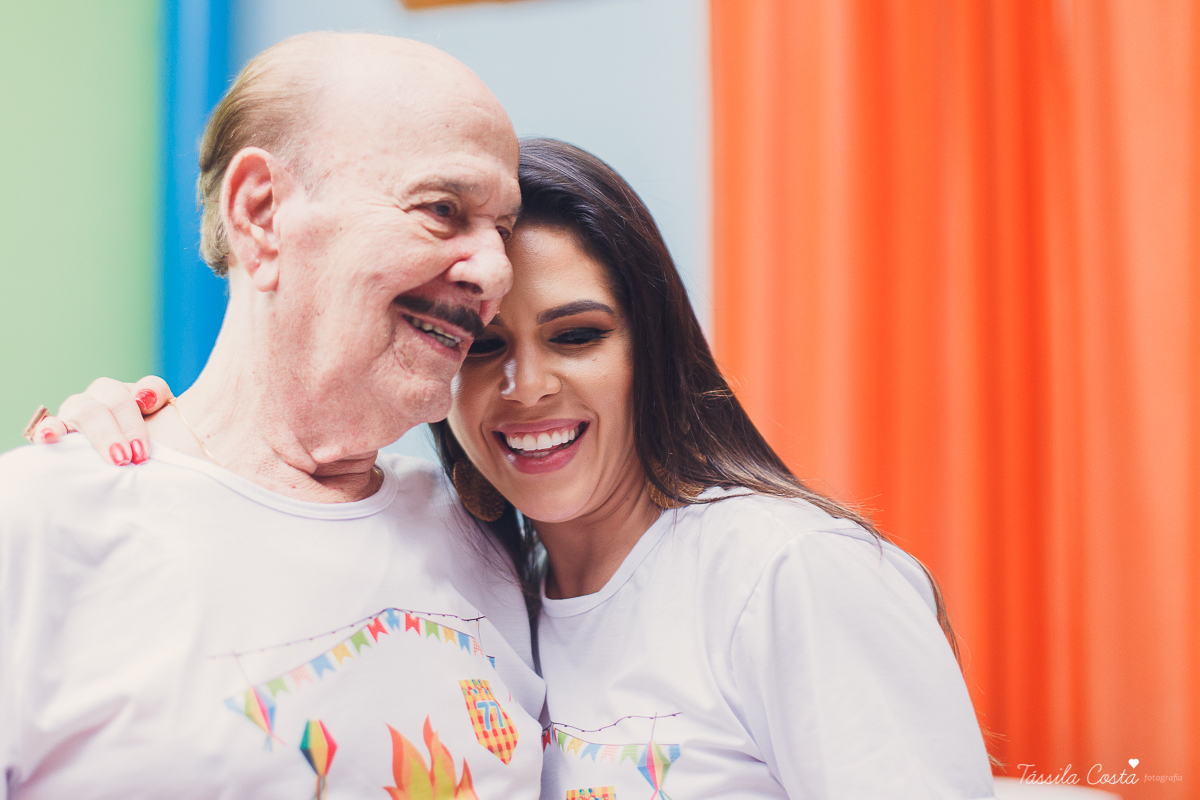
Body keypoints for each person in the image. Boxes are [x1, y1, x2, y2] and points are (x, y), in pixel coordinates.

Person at [37, 139, 998, 799]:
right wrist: (134, 439)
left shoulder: (787, 572)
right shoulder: (471, 565)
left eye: (578, 336)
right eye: (483, 346)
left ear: (652, 346)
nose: (528, 386)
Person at [1, 33, 545, 799]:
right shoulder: (37, 524)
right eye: (441, 209)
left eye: (503, 231)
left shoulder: (493, 541)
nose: (495, 272)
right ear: (260, 213)